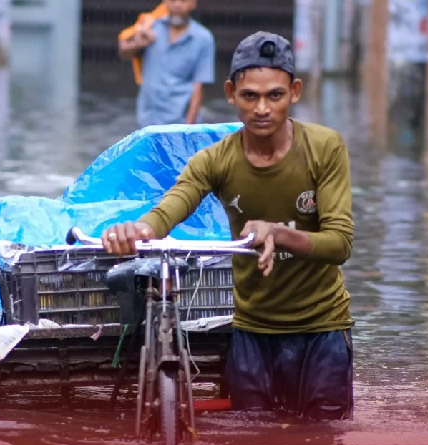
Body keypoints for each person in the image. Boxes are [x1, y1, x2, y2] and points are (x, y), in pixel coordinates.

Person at [102, 32, 355, 421]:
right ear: (231, 94)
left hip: (322, 329)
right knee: (251, 444)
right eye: (250, 96)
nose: (262, 108)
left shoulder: (325, 148)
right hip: (253, 330)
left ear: (295, 92)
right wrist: (138, 231)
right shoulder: (216, 160)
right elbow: (173, 205)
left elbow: (340, 243)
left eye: (275, 95)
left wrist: (276, 232)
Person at [118, 0, 215, 127]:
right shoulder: (150, 27)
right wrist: (140, 43)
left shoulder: (203, 38)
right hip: (147, 119)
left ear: (193, 3)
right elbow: (124, 52)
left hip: (179, 121)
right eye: (173, 0)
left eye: (184, 1)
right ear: (165, 2)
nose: (178, 4)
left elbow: (199, 87)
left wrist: (187, 128)